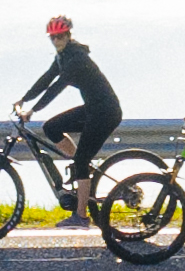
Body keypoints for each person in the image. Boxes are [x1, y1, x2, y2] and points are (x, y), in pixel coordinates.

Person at [15, 14, 119, 200]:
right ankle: (83, 169)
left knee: (81, 159)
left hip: (106, 112)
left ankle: (81, 216)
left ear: (68, 35)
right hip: (93, 109)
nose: (56, 41)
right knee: (51, 127)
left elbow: (57, 87)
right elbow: (47, 79)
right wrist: (23, 99)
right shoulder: (62, 57)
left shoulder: (77, 59)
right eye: (52, 37)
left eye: (60, 36)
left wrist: (33, 110)